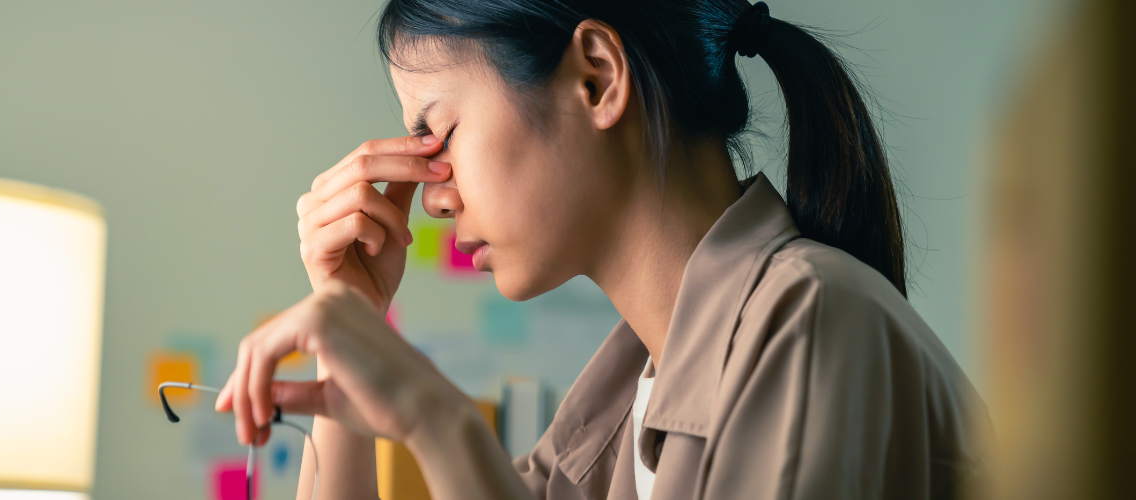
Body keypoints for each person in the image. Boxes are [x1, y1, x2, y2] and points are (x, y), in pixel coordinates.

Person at [213, 0, 990, 498]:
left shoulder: (810, 319)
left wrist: (435, 418)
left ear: (596, 78)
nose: (435, 196)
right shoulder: (613, 413)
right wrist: (349, 315)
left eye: (438, 135)